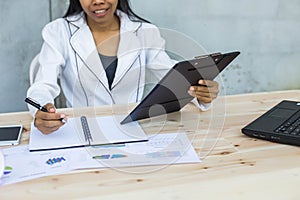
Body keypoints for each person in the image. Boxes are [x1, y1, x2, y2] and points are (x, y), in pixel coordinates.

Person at [27, 0, 219, 135]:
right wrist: (41, 109)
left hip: (133, 128)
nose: (98, 1)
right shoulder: (58, 31)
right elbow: (42, 85)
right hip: (83, 130)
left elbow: (172, 75)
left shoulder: (144, 31)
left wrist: (201, 90)